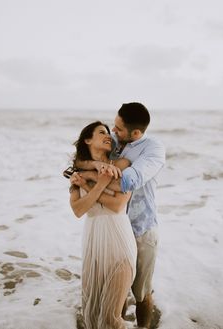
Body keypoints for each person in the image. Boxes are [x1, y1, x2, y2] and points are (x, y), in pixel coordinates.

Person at [75, 103, 165, 329]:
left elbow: (128, 181)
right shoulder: (116, 141)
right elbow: (78, 158)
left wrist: (86, 179)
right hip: (114, 231)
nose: (113, 132)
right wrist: (92, 165)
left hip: (141, 230)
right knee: (117, 293)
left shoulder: (152, 150)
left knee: (142, 293)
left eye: (118, 128)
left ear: (135, 133)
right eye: (112, 127)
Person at [69, 121, 137, 329]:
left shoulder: (123, 165)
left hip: (119, 239)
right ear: (88, 140)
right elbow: (79, 210)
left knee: (110, 319)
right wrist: (98, 183)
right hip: (93, 245)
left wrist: (89, 184)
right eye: (101, 132)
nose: (108, 135)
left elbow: (117, 205)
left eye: (109, 132)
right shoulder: (77, 172)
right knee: (93, 316)